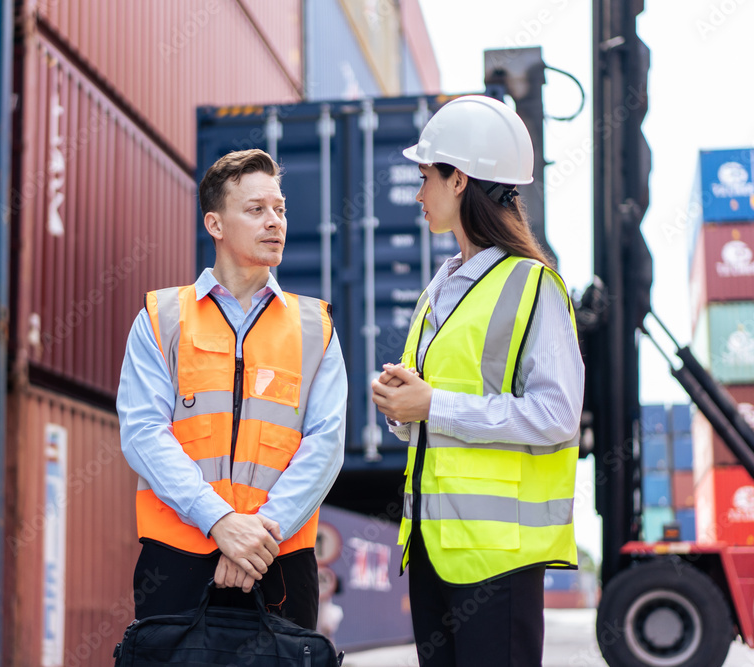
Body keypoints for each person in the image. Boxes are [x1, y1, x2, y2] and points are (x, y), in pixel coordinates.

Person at [371, 96, 584, 667]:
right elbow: (434, 422)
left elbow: (559, 416)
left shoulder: (532, 285)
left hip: (497, 560)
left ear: (458, 178)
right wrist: (403, 407)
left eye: (425, 178)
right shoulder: (437, 289)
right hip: (434, 550)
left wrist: (433, 404)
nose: (419, 194)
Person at [117, 148, 347, 630]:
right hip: (178, 557)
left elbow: (325, 445)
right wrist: (220, 524)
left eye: (280, 209)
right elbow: (143, 433)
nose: (274, 222)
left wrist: (256, 539)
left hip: (277, 559)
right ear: (215, 225)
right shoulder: (161, 318)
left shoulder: (315, 327)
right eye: (256, 210)